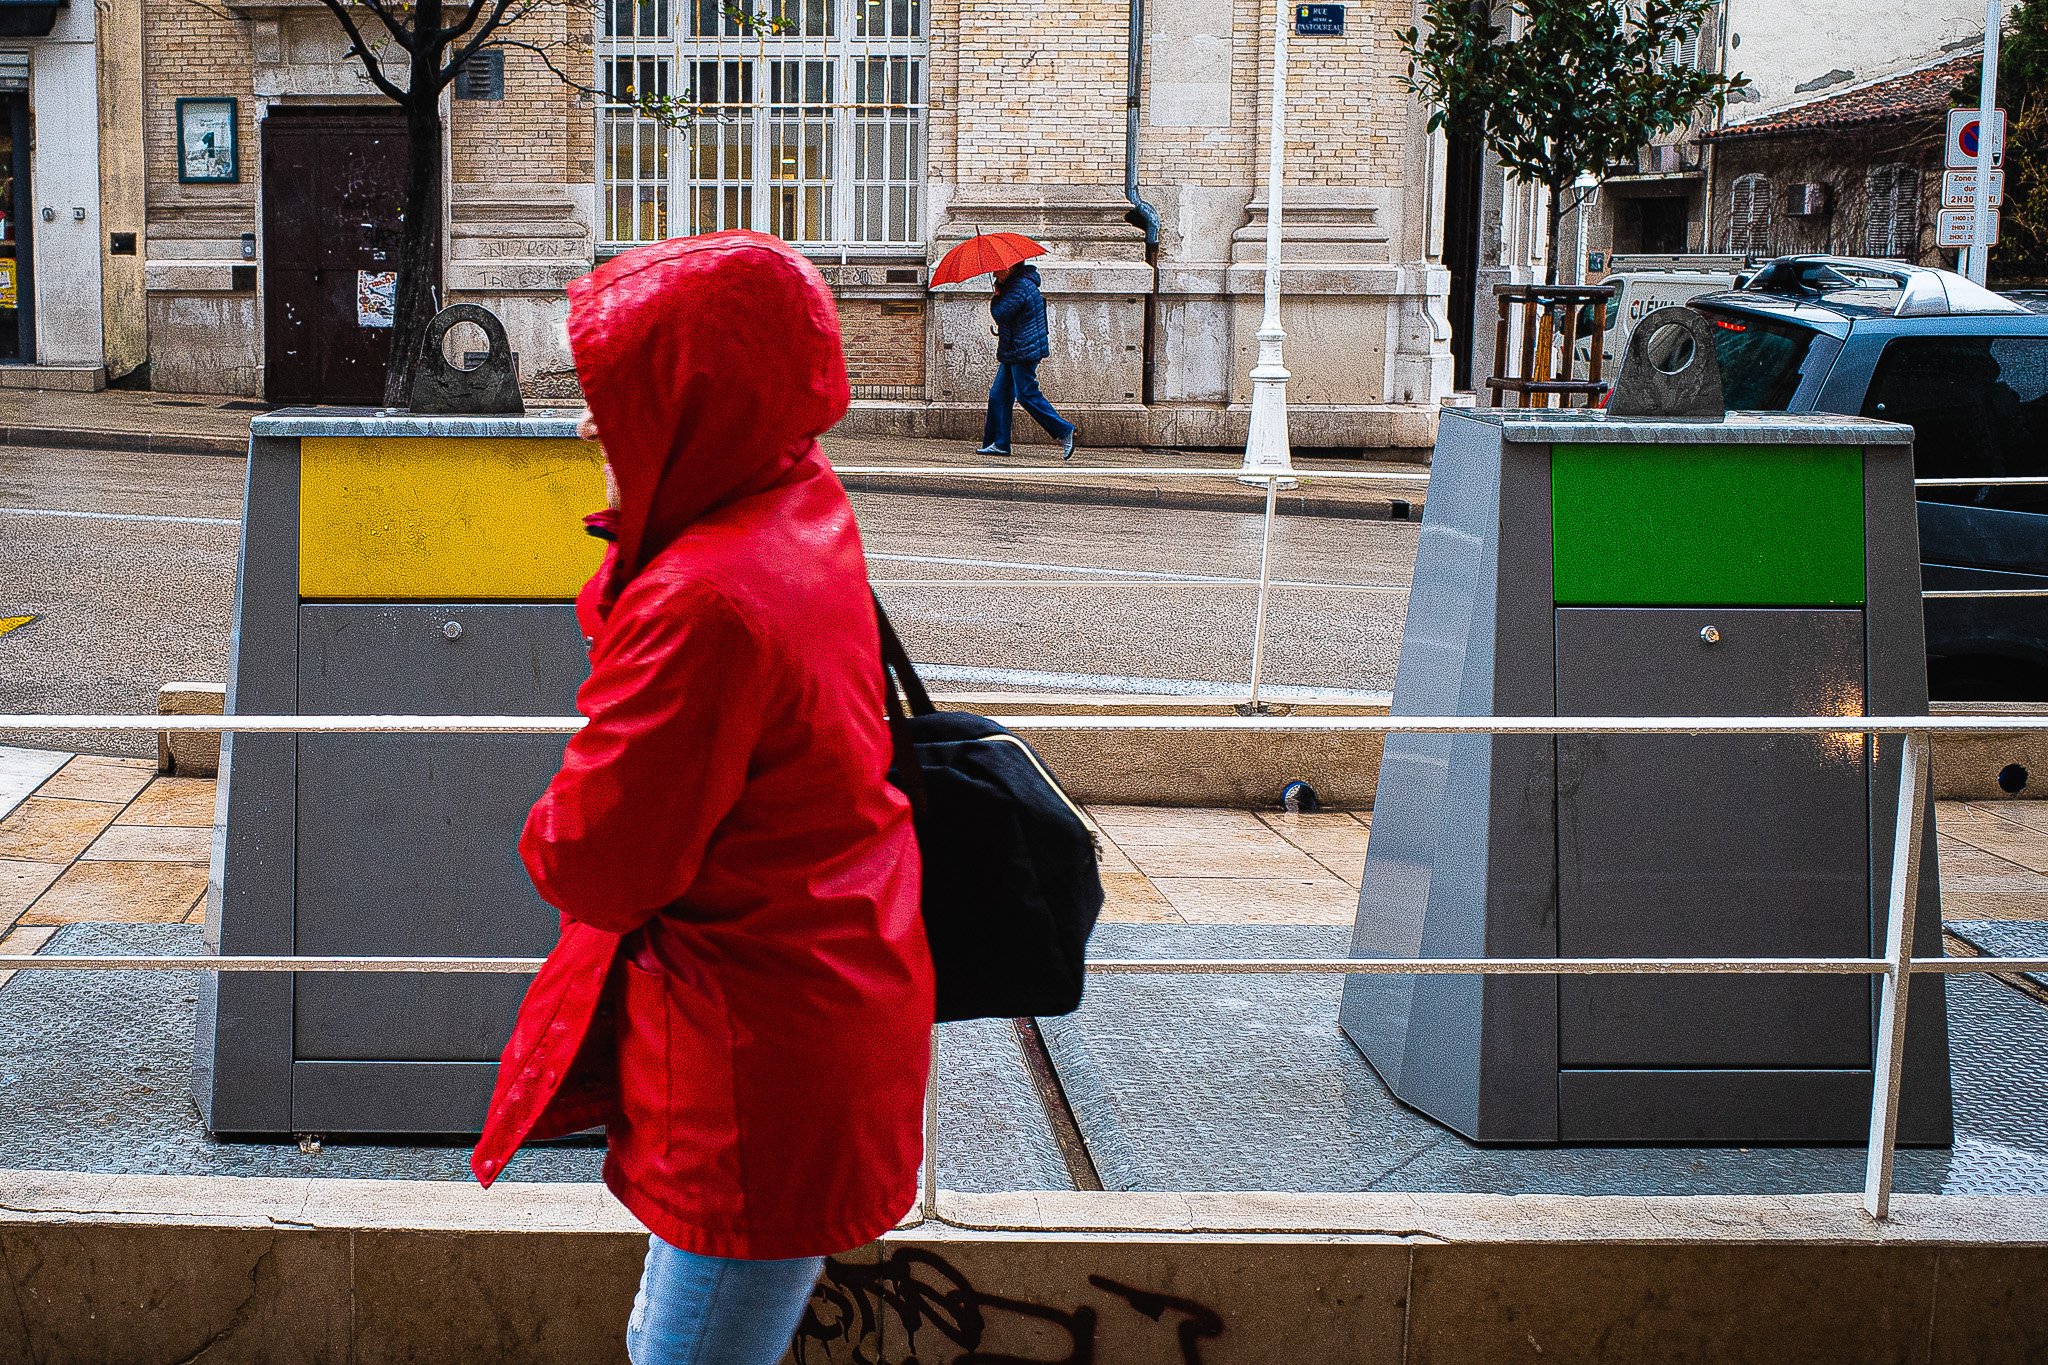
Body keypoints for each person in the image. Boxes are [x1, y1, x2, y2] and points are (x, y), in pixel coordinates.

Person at [471, 230, 936, 1365]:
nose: (587, 422)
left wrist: (545, 817)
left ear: (694, 397)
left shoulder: (703, 601)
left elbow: (596, 862)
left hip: (753, 1055)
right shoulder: (792, 498)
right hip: (818, 990)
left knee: (685, 1350)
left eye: (610, 393)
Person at [978, 260, 1077, 459]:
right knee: (999, 395)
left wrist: (997, 295)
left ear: (1008, 268)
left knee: (1026, 394)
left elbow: (1000, 313)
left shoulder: (1019, 286)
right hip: (1016, 347)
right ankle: (999, 443)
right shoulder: (1018, 283)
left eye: (997, 269)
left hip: (1024, 349)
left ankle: (1064, 430)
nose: (995, 274)